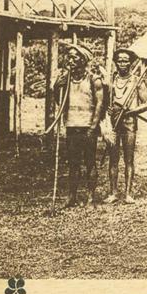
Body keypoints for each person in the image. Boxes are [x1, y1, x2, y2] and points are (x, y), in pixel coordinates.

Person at [54, 44, 104, 207]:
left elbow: (99, 104)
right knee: (73, 162)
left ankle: (91, 196)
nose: (71, 60)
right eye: (69, 57)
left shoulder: (93, 79)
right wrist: (57, 86)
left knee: (90, 162)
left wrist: (93, 126)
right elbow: (59, 101)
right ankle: (72, 196)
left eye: (75, 57)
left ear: (83, 60)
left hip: (88, 126)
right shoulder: (66, 79)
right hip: (72, 125)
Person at [104, 48, 147, 205]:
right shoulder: (111, 81)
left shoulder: (137, 81)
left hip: (130, 122)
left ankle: (128, 193)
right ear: (116, 62)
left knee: (128, 158)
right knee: (113, 159)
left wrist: (132, 111)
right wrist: (108, 108)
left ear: (130, 63)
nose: (122, 63)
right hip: (113, 122)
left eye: (125, 60)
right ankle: (113, 193)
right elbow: (105, 102)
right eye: (119, 60)